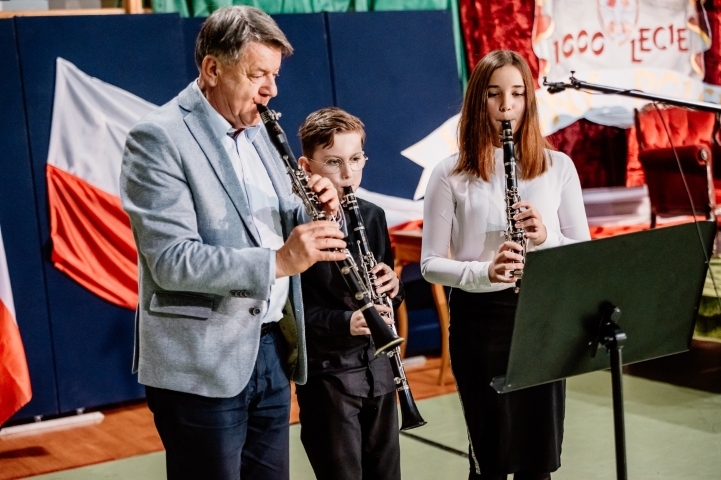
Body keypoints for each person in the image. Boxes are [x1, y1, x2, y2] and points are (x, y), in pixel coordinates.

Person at [119, 7, 348, 480]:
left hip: (270, 349)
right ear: (212, 69)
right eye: (257, 74)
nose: (271, 89)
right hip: (201, 363)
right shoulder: (158, 138)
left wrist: (317, 208)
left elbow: (276, 219)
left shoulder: (260, 128)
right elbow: (172, 260)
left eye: (275, 74)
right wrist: (279, 262)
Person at [421, 50, 591, 480]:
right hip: (480, 321)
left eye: (517, 94)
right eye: (494, 94)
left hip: (541, 319)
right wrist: (485, 272)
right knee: (490, 459)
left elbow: (582, 254)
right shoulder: (448, 173)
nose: (506, 105)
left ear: (528, 100)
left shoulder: (559, 167)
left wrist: (546, 237)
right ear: (478, 100)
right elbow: (430, 264)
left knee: (538, 459)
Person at [294, 107, 403, 480]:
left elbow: (387, 292)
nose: (347, 174)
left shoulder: (372, 216)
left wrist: (394, 287)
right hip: (330, 377)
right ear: (306, 166)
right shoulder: (295, 224)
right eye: (333, 162)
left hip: (379, 370)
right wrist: (346, 322)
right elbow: (292, 312)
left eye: (355, 159)